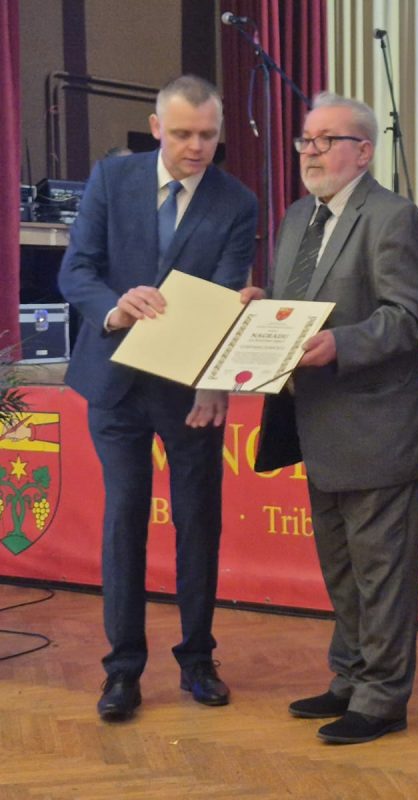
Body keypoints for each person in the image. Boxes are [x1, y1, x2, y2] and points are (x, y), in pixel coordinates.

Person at [58, 75, 258, 721]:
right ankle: (122, 671)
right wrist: (115, 308)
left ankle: (198, 660)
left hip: (188, 389)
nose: (196, 147)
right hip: (114, 382)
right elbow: (76, 270)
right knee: (124, 521)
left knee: (199, 523)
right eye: (182, 134)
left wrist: (212, 381)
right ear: (155, 129)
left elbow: (225, 296)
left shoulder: (237, 202)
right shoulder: (111, 179)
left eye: (208, 135)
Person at [242, 92, 418, 745]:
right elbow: (297, 307)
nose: (312, 152)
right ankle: (350, 678)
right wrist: (261, 305)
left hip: (377, 428)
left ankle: (382, 699)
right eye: (307, 140)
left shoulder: (393, 217)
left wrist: (340, 344)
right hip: (316, 423)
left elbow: (407, 316)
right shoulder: (299, 216)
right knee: (343, 570)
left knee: (381, 574)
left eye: (328, 140)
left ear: (364, 151)